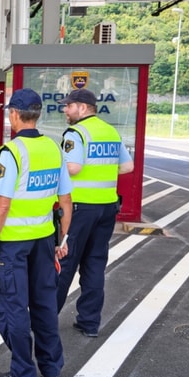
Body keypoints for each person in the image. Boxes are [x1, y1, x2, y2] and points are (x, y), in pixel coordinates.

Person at [0, 88, 73, 377]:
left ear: (14, 115)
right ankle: (50, 371)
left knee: (14, 309)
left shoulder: (11, 153)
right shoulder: (53, 149)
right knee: (45, 305)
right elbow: (66, 200)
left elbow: (2, 205)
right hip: (45, 240)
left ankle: (23, 374)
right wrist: (63, 239)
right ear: (38, 115)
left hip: (14, 244)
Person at [56, 88, 134, 338]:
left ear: (81, 107)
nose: (65, 110)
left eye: (68, 106)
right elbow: (127, 166)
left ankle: (45, 319)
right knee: (95, 264)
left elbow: (74, 167)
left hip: (79, 209)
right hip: (107, 208)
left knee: (64, 263)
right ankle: (89, 323)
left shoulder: (77, 132)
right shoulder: (110, 131)